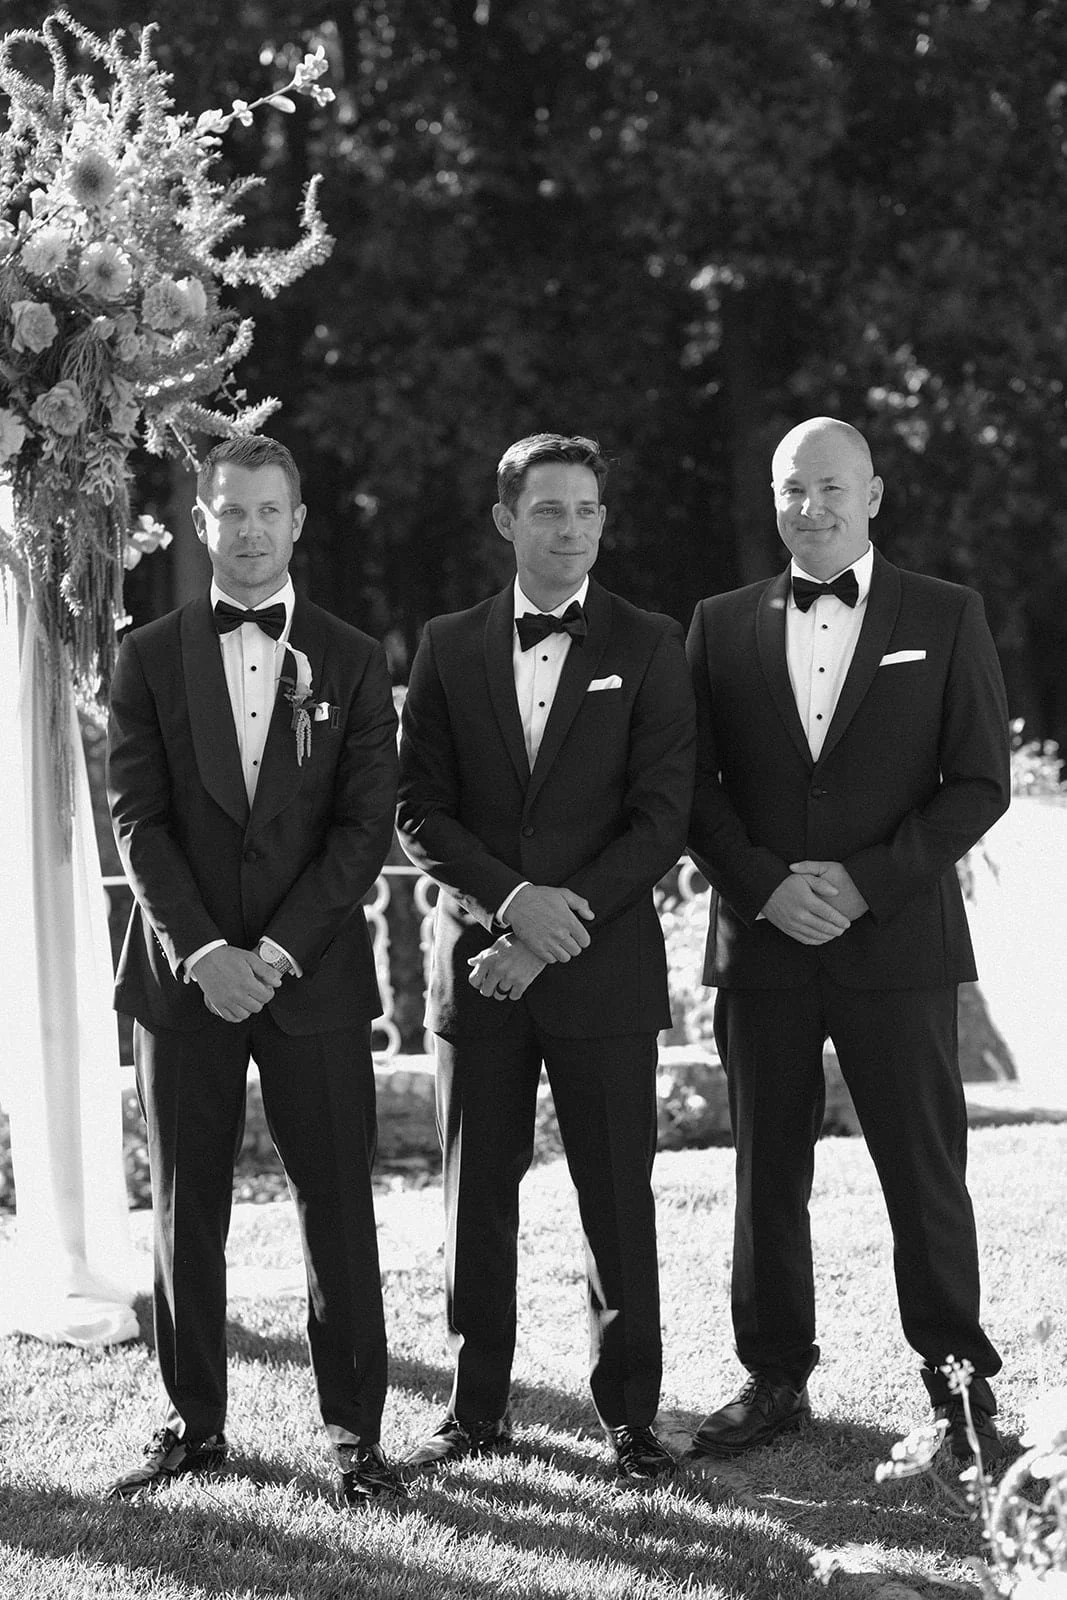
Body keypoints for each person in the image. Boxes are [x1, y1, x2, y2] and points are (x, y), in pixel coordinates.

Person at [684, 416, 1010, 1465]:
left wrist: (866, 882)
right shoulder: (718, 624)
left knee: (922, 1171)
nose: (808, 507)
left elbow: (978, 782)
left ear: (872, 494)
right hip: (763, 942)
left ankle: (957, 1393)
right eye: (790, 490)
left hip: (897, 943)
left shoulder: (945, 615)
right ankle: (773, 1380)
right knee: (762, 1173)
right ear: (769, 500)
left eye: (829, 487)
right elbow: (687, 789)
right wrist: (764, 887)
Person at [105, 435, 406, 1506]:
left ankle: (356, 1439)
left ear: (298, 520)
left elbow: (363, 828)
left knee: (337, 1206)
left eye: (266, 512)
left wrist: (271, 954)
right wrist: (202, 953)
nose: (246, 531)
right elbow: (137, 819)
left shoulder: (355, 657)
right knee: (188, 1206)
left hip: (310, 977)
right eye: (228, 513)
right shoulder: (146, 655)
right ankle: (193, 1425)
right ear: (199, 522)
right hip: (183, 981)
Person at [395, 433, 695, 1484]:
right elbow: (416, 808)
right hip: (477, 970)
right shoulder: (444, 643)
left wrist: (553, 930)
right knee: (475, 1196)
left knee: (617, 1196)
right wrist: (510, 908)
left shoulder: (651, 644)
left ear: (603, 521)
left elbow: (661, 818)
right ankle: (475, 1409)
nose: (568, 529)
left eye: (584, 511)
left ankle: (629, 1416)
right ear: (503, 520)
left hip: (602, 969)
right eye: (546, 511)